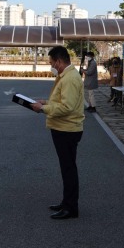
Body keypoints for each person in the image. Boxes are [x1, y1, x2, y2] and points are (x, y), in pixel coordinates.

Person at [31, 46, 85, 220]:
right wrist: (45, 102)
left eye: (51, 63)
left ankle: (70, 207)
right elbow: (62, 100)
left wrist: (43, 108)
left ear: (59, 61)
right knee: (67, 168)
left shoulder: (69, 78)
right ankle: (67, 202)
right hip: (64, 128)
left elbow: (66, 107)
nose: (51, 66)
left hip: (66, 129)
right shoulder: (67, 76)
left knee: (68, 169)